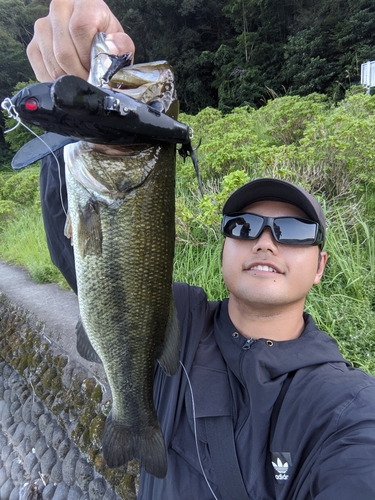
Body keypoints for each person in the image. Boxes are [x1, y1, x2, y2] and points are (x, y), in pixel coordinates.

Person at [27, 2, 375, 499]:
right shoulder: (177, 319)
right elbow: (83, 261)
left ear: (321, 265)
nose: (265, 239)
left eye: (294, 231)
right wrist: (76, 122)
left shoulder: (346, 407)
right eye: (244, 223)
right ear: (225, 245)